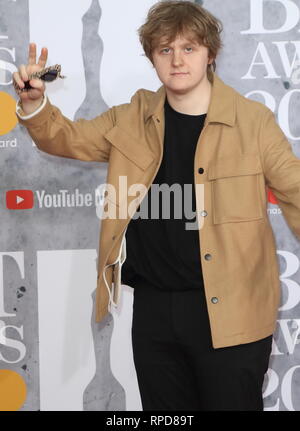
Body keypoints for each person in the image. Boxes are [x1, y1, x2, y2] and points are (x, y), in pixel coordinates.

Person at [13, 0, 300, 411]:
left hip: (233, 311)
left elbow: (294, 186)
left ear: (210, 53)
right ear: (152, 58)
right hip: (153, 313)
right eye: (165, 50)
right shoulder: (132, 117)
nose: (177, 60)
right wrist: (33, 104)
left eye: (189, 48)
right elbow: (68, 138)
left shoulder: (252, 122)